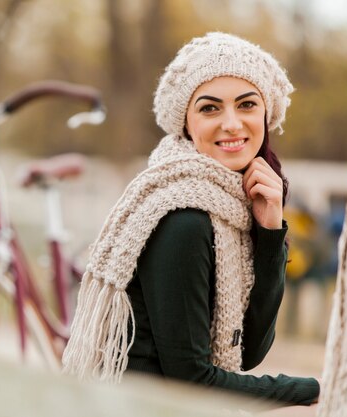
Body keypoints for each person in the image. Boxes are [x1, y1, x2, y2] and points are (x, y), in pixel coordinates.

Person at [62, 32, 320, 407]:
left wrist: (269, 231)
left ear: (266, 114)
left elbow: (249, 352)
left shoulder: (233, 208)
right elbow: (193, 381)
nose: (231, 124)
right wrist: (313, 390)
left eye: (246, 104)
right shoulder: (183, 216)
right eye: (210, 108)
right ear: (186, 123)